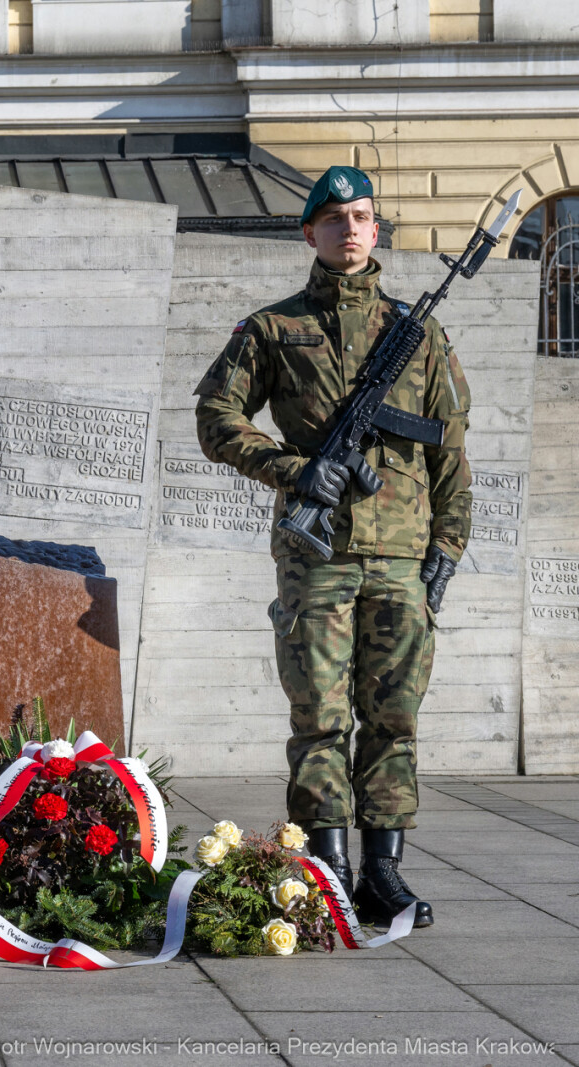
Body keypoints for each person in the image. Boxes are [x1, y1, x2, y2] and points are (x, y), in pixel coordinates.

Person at [194, 166, 473, 929]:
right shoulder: (273, 330)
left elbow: (449, 450)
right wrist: (296, 470)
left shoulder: (417, 335)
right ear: (307, 232)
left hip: (401, 559)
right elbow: (216, 418)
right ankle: (330, 869)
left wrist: (446, 545)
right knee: (320, 717)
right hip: (317, 559)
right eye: (333, 218)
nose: (350, 229)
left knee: (394, 718)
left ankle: (383, 870)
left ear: (376, 229)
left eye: (362, 216)